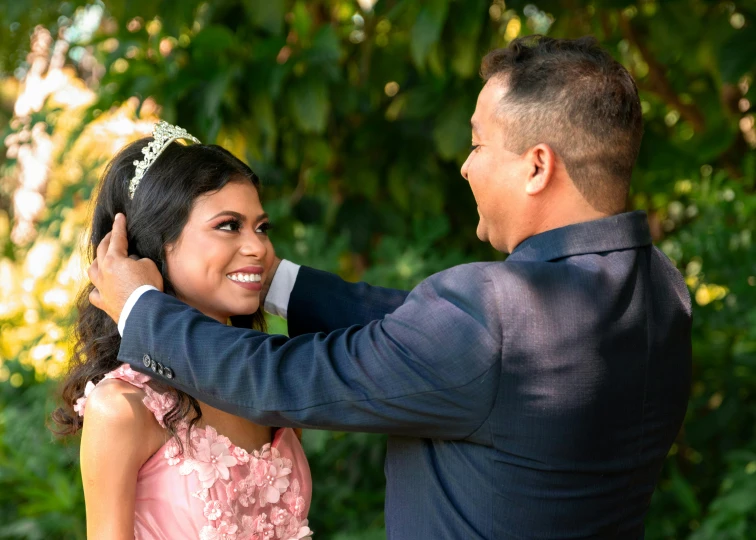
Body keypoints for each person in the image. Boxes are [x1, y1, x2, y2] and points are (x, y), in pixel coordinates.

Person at [89, 36, 692, 538]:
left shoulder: (494, 321)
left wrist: (140, 307)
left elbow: (289, 376)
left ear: (537, 166)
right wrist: (270, 279)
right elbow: (421, 329)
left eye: (478, 144)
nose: (466, 166)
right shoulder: (661, 292)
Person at [53, 122, 313, 540]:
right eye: (229, 225)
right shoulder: (124, 408)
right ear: (159, 244)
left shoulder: (270, 379)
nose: (259, 248)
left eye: (261, 228)